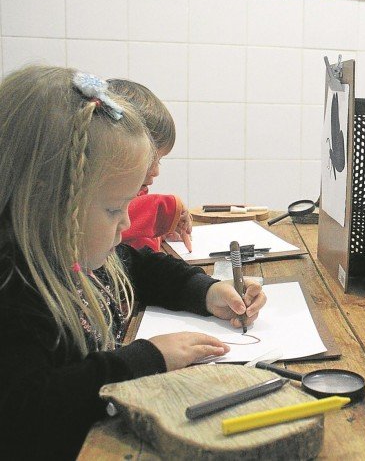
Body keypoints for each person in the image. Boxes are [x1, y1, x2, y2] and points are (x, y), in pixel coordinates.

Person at [0, 66, 266, 458]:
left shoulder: (72, 254)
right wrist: (145, 359)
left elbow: (139, 267)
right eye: (113, 208)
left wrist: (207, 292)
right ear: (47, 200)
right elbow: (29, 412)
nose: (126, 223)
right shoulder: (14, 291)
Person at [108, 79, 193, 252]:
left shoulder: (137, 193)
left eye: (158, 160)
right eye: (149, 160)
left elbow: (132, 235)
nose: (156, 171)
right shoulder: (101, 206)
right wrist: (165, 211)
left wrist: (160, 232)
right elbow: (115, 219)